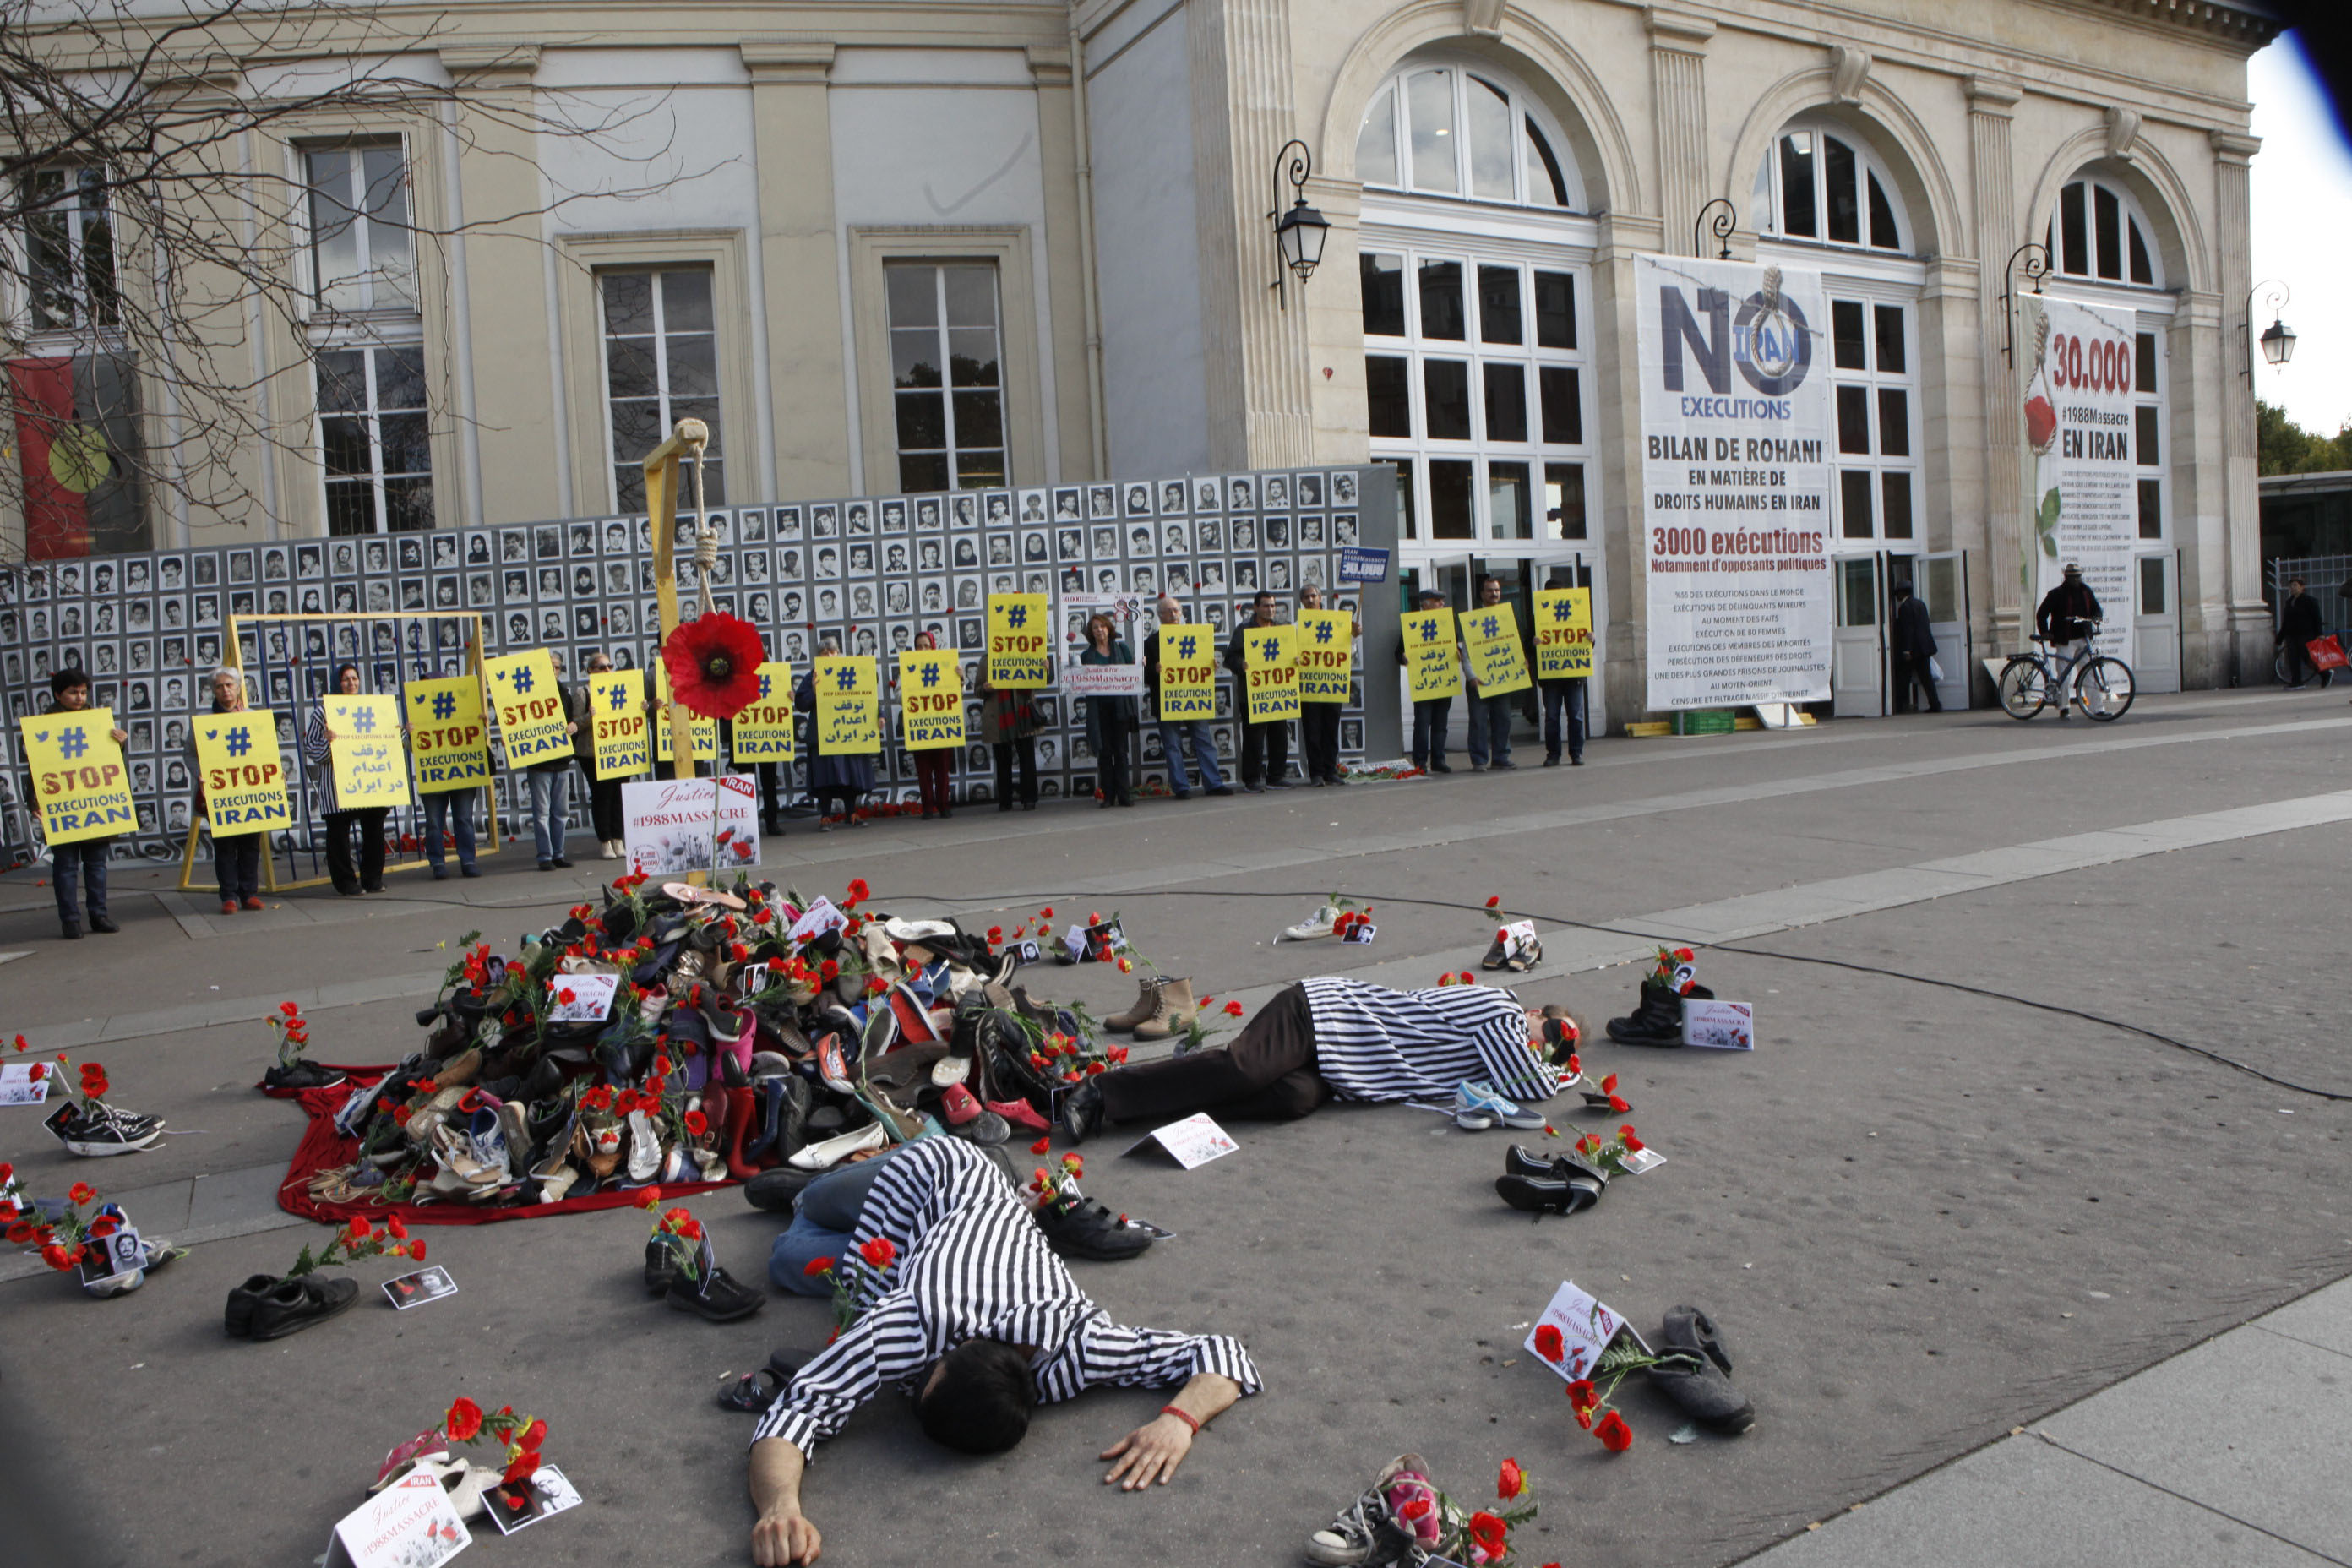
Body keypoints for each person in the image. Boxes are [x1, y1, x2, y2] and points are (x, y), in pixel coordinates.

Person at [747, 1139, 1259, 1566]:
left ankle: (830, 1214)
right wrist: (778, 1505)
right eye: (923, 1375)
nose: (908, 1378)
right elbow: (801, 1405)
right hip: (942, 1177)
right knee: (808, 1211)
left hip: (923, 1257)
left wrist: (1178, 1421)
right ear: (958, 1346)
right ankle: (832, 1181)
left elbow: (1220, 1354)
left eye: (914, 1383)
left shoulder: (1077, 1351)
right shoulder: (921, 1318)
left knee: (786, 1259)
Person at [1059, 977, 1558, 1139]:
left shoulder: (1493, 1062)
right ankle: (1102, 1091)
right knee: (1243, 1067)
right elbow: (1529, 1081)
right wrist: (1561, 1069)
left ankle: (1137, 1113)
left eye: (1553, 1046)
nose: (1542, 1043)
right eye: (1548, 1031)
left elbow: (1519, 1086)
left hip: (1339, 1066)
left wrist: (1554, 1063)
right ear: (1534, 1012)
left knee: (1289, 1098)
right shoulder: (1502, 1007)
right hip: (1326, 1011)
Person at [39, 668, 127, 939]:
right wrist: (35, 801)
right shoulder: (43, 727)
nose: (79, 697)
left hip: (93, 803)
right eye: (73, 692)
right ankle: (70, 920)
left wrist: (120, 744)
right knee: (65, 865)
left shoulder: (98, 722)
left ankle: (98, 915)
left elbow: (109, 763)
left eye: (83, 692)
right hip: (62, 803)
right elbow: (37, 766)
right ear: (58, 695)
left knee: (97, 864)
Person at [303, 663, 393, 895]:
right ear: (337, 683)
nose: (351, 683)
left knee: (374, 829)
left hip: (369, 780)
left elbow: (387, 738)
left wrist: (403, 731)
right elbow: (311, 748)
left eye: (354, 678)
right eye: (345, 679)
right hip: (337, 784)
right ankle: (345, 882)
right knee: (339, 836)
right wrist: (327, 741)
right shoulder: (323, 712)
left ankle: (372, 879)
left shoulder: (373, 708)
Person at [191, 667, 267, 912]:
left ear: (238, 687)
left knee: (250, 843)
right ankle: (229, 897)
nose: (224, 690)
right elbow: (189, 754)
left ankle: (249, 893)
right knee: (224, 845)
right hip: (220, 791)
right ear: (213, 691)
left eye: (229, 685)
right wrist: (199, 773)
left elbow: (264, 752)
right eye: (219, 686)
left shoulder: (253, 717)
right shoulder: (203, 721)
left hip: (249, 790)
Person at [1143, 596, 1230, 801]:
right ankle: (1181, 787)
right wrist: (1155, 671)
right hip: (1167, 701)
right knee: (1172, 745)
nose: (1173, 614)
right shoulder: (1151, 642)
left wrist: (1212, 667)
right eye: (1168, 611)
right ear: (1160, 615)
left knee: (1203, 741)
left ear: (1182, 612)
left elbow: (1202, 666)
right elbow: (1144, 676)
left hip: (1195, 697)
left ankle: (1214, 784)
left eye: (1176, 610)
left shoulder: (1197, 636)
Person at [795, 639, 875, 827]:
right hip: (823, 735)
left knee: (850, 775)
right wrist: (814, 691)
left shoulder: (851, 672)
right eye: (825, 653)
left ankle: (852, 813)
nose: (829, 656)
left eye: (832, 652)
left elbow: (868, 697)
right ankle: (825, 816)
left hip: (847, 731)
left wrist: (879, 715)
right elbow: (800, 704)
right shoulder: (812, 676)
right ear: (818, 657)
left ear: (838, 654)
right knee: (824, 777)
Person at [1223, 591, 1290, 792]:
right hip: (1252, 694)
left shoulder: (1281, 630)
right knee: (1254, 739)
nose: (1270, 609)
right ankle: (1252, 780)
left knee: (1279, 736)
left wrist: (1294, 660)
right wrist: (1240, 664)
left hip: (1278, 691)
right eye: (1266, 606)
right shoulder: (1244, 630)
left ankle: (1276, 777)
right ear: (1255, 608)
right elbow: (1229, 659)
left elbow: (1289, 655)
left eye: (1272, 605)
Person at [525, 651, 585, 869]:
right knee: (541, 813)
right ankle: (544, 856)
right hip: (539, 763)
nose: (553, 671)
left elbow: (572, 722)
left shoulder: (565, 694)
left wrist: (573, 727)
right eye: (549, 667)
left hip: (561, 761)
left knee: (561, 812)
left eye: (557, 667)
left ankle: (558, 854)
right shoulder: (530, 694)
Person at [1295, 583, 1352, 787]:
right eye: (1306, 597)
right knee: (1312, 732)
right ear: (1302, 601)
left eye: (1314, 596)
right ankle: (1316, 773)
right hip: (1309, 685)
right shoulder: (1297, 626)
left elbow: (1349, 652)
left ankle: (1331, 771)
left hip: (1332, 684)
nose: (1310, 600)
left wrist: (1354, 635)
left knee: (1331, 730)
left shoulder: (1336, 623)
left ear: (1320, 598)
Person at [1079, 612, 1137, 808]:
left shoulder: (1122, 648)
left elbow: (1132, 672)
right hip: (1099, 708)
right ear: (1091, 633)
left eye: (1102, 626)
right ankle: (1108, 796)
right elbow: (1080, 680)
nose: (1099, 630)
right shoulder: (1086, 656)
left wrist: (1140, 665)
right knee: (1105, 753)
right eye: (1095, 627)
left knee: (1120, 752)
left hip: (1120, 707)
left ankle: (1124, 795)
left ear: (1109, 628)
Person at [2034, 563, 2104, 720]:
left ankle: (2098, 708)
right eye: (2072, 577)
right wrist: (2045, 632)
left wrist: (2097, 617)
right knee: (2064, 675)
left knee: (2090, 674)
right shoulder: (2056, 594)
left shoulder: (2086, 591)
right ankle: (2064, 707)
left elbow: (2096, 608)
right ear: (2066, 577)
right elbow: (2042, 613)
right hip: (2064, 639)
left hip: (2083, 638)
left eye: (2078, 576)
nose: (2076, 580)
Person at [1463, 574, 1517, 771]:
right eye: (1490, 590)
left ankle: (1501, 757)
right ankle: (1479, 760)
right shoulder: (1473, 620)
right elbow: (1466, 653)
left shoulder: (1507, 617)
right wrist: (1471, 676)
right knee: (1478, 721)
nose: (1494, 594)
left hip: (1501, 679)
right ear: (1482, 594)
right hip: (1479, 680)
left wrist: (1521, 664)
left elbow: (1514, 646)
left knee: (1503, 719)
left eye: (1497, 590)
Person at [1399, 588, 1457, 773]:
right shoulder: (1412, 625)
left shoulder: (1448, 624)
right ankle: (1420, 762)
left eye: (1442, 601)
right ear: (1425, 604)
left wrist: (1459, 653)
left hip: (1443, 680)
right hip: (1424, 683)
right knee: (1423, 724)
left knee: (1441, 725)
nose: (1442, 604)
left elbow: (1457, 646)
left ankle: (1439, 760)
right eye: (1437, 601)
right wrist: (1404, 657)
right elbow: (1398, 651)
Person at [578, 651, 629, 858]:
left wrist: (642, 707)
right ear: (590, 670)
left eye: (610, 666)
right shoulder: (583, 693)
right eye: (602, 667)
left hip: (619, 749)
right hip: (593, 754)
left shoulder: (621, 688)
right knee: (602, 796)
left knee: (619, 796)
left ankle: (618, 838)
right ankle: (605, 841)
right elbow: (574, 723)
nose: (607, 670)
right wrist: (590, 717)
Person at [977, 662, 1043, 812]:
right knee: (1002, 760)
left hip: (1022, 712)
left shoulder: (1026, 654)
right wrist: (984, 689)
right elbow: (978, 690)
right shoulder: (986, 660)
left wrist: (1043, 670)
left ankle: (1029, 798)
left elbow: (1039, 682)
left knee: (1027, 757)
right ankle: (1005, 800)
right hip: (999, 715)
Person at [909, 630, 955, 820]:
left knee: (943, 768)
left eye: (926, 645)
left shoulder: (945, 666)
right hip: (920, 726)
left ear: (933, 646)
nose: (922, 649)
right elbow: (899, 694)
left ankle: (944, 805)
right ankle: (928, 807)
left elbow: (956, 692)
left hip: (941, 725)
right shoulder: (909, 667)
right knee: (924, 769)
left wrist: (958, 678)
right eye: (919, 646)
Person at [1890, 580, 1943, 713]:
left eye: (1898, 594)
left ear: (1902, 593)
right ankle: (1935, 704)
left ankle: (1899, 706)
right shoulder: (1920, 604)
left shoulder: (1904, 608)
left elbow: (1908, 630)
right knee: (1927, 679)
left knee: (1904, 678)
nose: (1897, 597)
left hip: (1914, 649)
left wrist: (1907, 650)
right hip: (1924, 647)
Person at [2278, 577, 2323, 689]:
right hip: (2291, 635)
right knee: (2293, 658)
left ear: (2302, 587)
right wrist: (2280, 637)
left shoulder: (2310, 601)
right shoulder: (2289, 602)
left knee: (2307, 657)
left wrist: (2319, 633)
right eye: (2291, 586)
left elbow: (2317, 618)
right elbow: (2286, 621)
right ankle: (2296, 682)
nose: (2292, 588)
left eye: (2295, 585)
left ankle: (2325, 674)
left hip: (2305, 633)